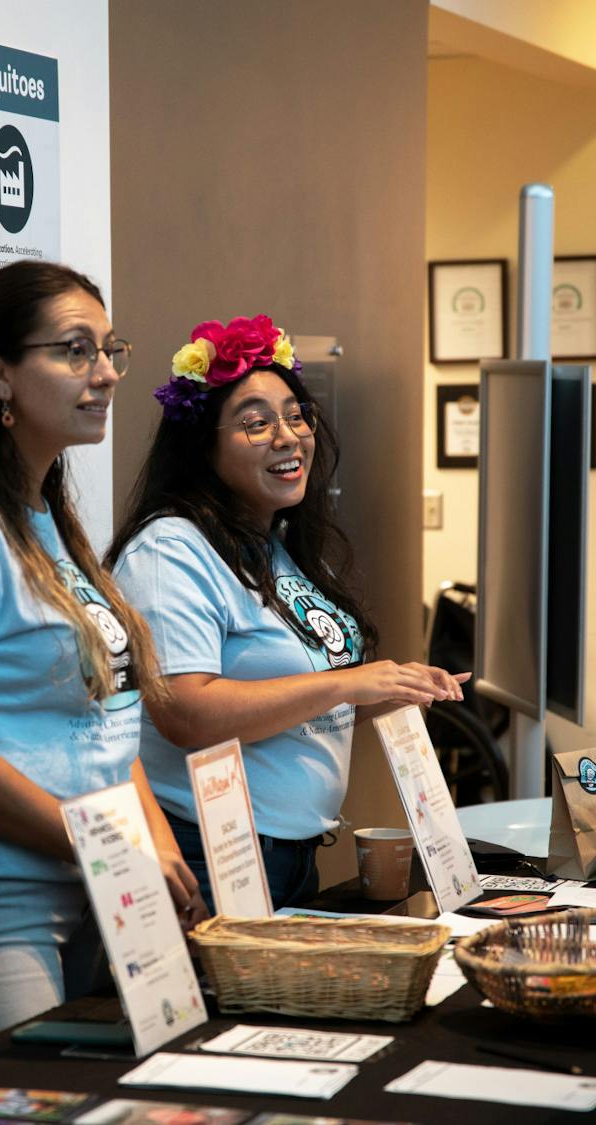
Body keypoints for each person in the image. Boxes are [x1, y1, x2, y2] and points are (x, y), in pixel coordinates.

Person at [0, 260, 204, 1056]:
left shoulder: (44, 506)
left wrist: (148, 840)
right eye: (75, 351)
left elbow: (103, 720)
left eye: (110, 349)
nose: (108, 373)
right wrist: (107, 845)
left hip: (95, 875)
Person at [106, 315, 465, 909]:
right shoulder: (171, 550)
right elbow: (185, 712)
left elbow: (290, 684)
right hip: (209, 852)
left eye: (297, 415)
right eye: (256, 423)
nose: (287, 436)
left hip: (290, 855)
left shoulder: (273, 543)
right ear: (202, 446)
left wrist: (385, 688)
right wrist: (344, 685)